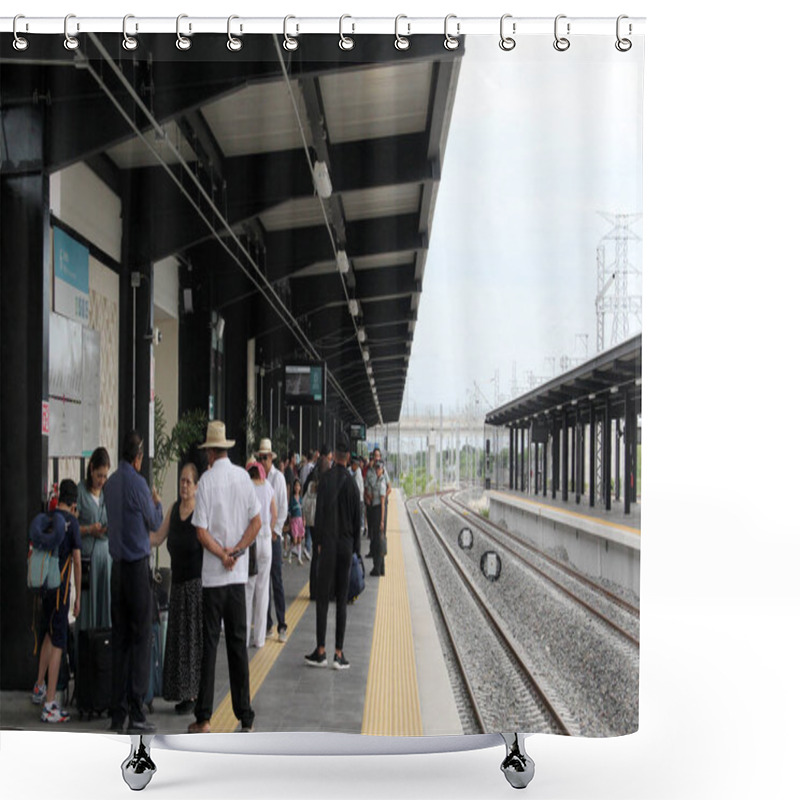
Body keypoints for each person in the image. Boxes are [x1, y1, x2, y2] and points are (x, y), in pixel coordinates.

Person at [189, 421, 261, 734]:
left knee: (209, 645)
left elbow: (201, 531)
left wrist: (221, 554)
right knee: (237, 647)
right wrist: (238, 551)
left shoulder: (205, 482)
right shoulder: (244, 478)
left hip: (213, 579)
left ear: (209, 453)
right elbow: (257, 523)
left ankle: (204, 718)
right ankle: (245, 716)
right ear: (226, 450)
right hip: (238, 578)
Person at [104, 430, 163, 733]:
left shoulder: (110, 484)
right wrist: (157, 503)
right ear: (138, 457)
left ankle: (117, 714)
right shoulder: (139, 485)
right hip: (137, 571)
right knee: (142, 639)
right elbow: (153, 522)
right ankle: (137, 712)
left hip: (117, 571)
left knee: (120, 641)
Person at [149, 463, 203, 715]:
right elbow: (158, 537)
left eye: (188, 482)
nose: (183, 486)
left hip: (195, 586)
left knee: (191, 640)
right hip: (178, 586)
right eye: (181, 481)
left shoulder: (201, 512)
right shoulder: (173, 509)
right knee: (178, 640)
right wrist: (136, 539)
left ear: (196, 486)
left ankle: (193, 693)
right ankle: (181, 692)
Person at [304, 434, 361, 670]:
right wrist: (356, 549)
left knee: (323, 599)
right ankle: (339, 653)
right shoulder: (352, 485)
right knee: (341, 598)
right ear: (347, 458)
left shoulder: (325, 480)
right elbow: (358, 521)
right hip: (346, 547)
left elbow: (318, 515)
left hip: (327, 545)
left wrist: (317, 542)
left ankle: (321, 651)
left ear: (333, 456)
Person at [32, 479, 82, 723]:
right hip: (61, 590)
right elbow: (77, 561)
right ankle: (50, 703)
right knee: (59, 642)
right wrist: (78, 596)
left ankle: (39, 686)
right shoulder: (71, 523)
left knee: (49, 636)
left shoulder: (50, 517)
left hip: (44, 588)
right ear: (74, 504)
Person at [76, 447, 111, 630]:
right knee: (88, 607)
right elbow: (72, 527)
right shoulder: (81, 491)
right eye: (99, 476)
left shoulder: (107, 493)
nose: (101, 481)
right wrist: (89, 529)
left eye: (105, 476)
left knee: (105, 605)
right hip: (87, 559)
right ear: (91, 470)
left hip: (105, 558)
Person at [258, 438, 289, 643]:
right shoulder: (257, 477)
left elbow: (283, 507)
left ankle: (282, 624)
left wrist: (276, 531)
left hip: (273, 537)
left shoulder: (278, 478)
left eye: (265, 457)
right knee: (262, 581)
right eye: (260, 457)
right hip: (260, 536)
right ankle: (267, 623)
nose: (262, 460)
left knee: (275, 579)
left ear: (271, 457)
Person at [244, 458, 277, 649]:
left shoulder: (248, 487)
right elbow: (275, 511)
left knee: (249, 588)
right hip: (266, 539)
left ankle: (246, 635)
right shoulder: (267, 487)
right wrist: (271, 530)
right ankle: (260, 639)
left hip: (253, 540)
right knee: (263, 590)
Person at [365, 459, 388, 577]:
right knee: (378, 539)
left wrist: (382, 520)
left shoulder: (382, 483)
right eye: (376, 468)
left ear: (382, 470)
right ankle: (381, 568)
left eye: (379, 468)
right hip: (375, 510)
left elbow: (383, 503)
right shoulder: (378, 481)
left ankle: (377, 568)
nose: (377, 470)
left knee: (377, 540)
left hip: (378, 511)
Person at [287, 478, 305, 564]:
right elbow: (289, 512)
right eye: (296, 485)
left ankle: (299, 557)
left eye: (298, 486)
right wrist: (289, 522)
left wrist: (304, 519)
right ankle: (289, 553)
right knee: (294, 540)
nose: (297, 487)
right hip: (294, 521)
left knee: (299, 540)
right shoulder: (292, 499)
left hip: (300, 520)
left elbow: (302, 510)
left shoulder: (301, 499)